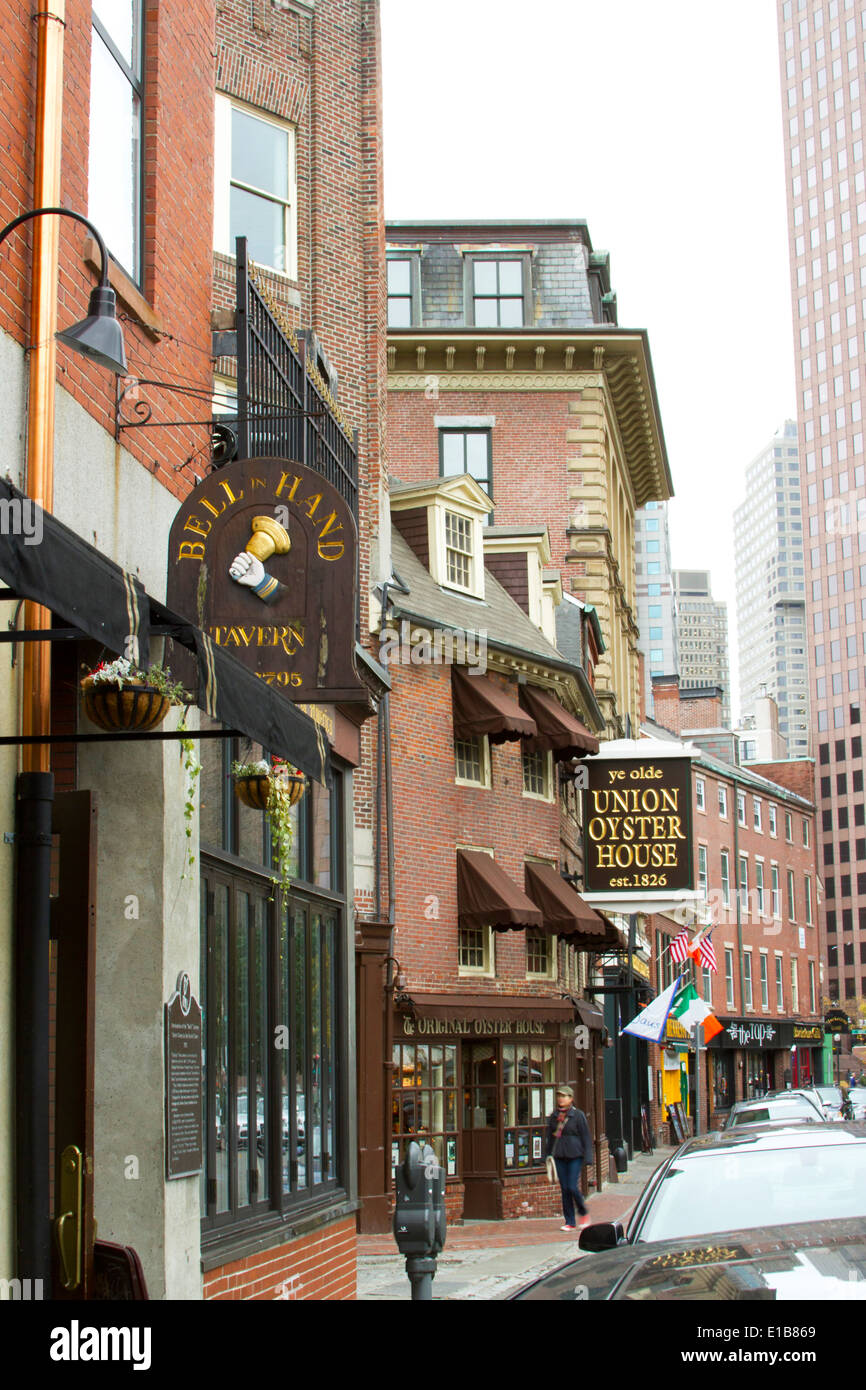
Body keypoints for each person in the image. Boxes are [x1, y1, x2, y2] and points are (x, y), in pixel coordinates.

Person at [545, 1085, 592, 1232]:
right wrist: (547, 1155)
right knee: (564, 1188)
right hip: (559, 1155)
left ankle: (583, 1213)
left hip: (575, 1154)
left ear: (571, 1099)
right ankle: (570, 1221)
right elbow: (550, 1137)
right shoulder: (554, 1116)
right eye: (559, 1096)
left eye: (564, 1096)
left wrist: (588, 1157)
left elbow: (586, 1136)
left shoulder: (578, 1116)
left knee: (572, 1186)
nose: (561, 1098)